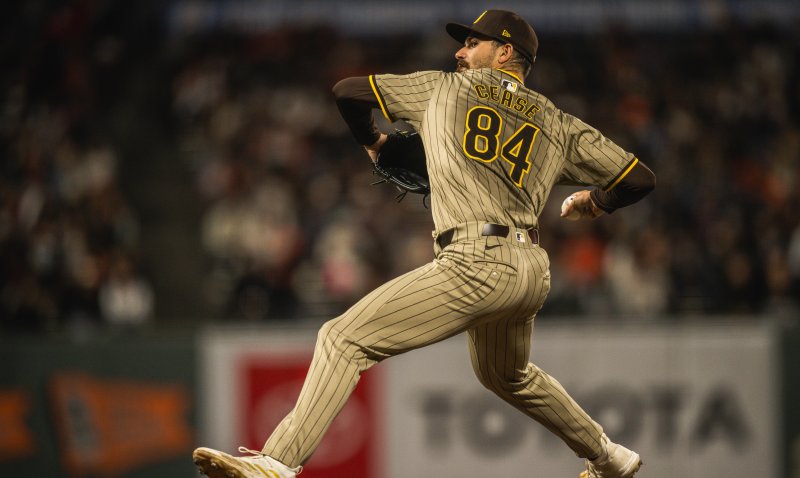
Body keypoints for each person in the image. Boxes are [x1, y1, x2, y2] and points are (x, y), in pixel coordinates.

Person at [193, 10, 655, 478]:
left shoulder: (446, 88)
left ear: (505, 52)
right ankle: (609, 457)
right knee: (506, 375)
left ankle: (278, 461)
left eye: (473, 43)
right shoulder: (557, 122)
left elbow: (347, 91)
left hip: (476, 260)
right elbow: (639, 179)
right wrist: (594, 202)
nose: (460, 51)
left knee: (343, 338)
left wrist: (374, 142)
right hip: (530, 270)